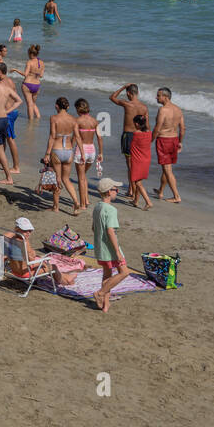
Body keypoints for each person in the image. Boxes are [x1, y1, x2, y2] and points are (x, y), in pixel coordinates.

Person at [92, 178, 129, 312]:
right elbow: (110, 231)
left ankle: (105, 305)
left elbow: (94, 228)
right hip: (110, 248)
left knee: (107, 275)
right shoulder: (111, 210)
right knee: (124, 272)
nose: (117, 192)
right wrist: (117, 252)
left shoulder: (97, 207)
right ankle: (100, 293)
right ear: (109, 192)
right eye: (115, 190)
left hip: (100, 247)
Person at [41, 97, 78, 214]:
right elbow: (76, 136)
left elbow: (52, 136)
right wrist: (71, 147)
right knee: (66, 179)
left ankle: (56, 207)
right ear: (67, 107)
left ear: (57, 106)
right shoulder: (73, 119)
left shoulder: (54, 118)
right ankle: (76, 202)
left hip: (56, 150)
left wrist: (47, 153)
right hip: (68, 151)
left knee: (57, 179)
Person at [109, 83, 148, 196]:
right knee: (136, 164)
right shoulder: (144, 107)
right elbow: (147, 125)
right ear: (137, 93)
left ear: (128, 93)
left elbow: (112, 97)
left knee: (130, 165)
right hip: (140, 136)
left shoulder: (127, 104)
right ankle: (132, 188)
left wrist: (123, 86)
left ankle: (132, 190)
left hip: (128, 136)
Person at [71, 98, 102, 215]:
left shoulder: (77, 121)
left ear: (78, 108)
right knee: (84, 175)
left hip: (81, 150)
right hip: (92, 150)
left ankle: (83, 204)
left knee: (81, 178)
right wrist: (101, 152)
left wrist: (69, 149)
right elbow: (99, 137)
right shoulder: (94, 121)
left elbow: (75, 138)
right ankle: (87, 200)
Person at [154, 87, 184, 203]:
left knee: (167, 169)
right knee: (167, 168)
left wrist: (150, 140)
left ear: (165, 97)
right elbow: (182, 128)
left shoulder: (163, 110)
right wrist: (180, 142)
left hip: (164, 140)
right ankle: (160, 191)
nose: (156, 97)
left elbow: (157, 128)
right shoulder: (178, 109)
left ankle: (176, 196)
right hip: (174, 140)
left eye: (158, 95)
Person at [12, 44, 44, 120]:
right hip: (37, 85)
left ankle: (31, 122)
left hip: (28, 84)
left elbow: (25, 74)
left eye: (28, 54)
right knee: (33, 103)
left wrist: (16, 70)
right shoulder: (42, 63)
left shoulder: (29, 62)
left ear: (31, 54)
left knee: (29, 104)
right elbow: (41, 75)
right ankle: (38, 118)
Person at [128, 114, 153, 209]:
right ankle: (136, 201)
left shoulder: (136, 133)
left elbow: (132, 146)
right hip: (146, 159)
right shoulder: (149, 133)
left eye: (134, 123)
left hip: (138, 160)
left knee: (137, 182)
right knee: (139, 180)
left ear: (137, 124)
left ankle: (148, 202)